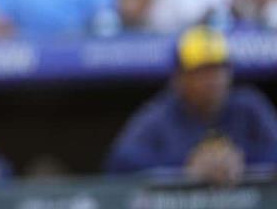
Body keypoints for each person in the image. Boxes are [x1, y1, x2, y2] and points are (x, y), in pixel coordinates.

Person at [106, 26, 277, 184]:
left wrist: (242, 161)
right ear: (180, 78)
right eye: (202, 72)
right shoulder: (161, 115)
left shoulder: (248, 107)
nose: (213, 80)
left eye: (218, 69)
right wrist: (185, 168)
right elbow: (120, 162)